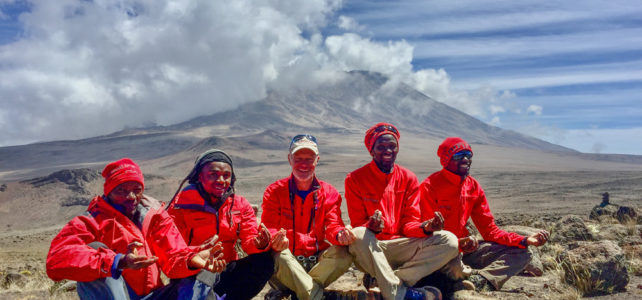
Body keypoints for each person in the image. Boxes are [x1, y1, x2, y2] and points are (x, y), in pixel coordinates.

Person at [46, 158, 226, 300]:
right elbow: (55, 261)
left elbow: (173, 257)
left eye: (136, 189)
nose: (131, 197)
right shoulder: (90, 221)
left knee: (202, 272)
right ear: (108, 192)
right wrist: (117, 262)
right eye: (121, 190)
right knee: (94, 249)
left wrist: (190, 259)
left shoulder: (155, 216)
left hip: (154, 295)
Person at [344, 123, 460, 300]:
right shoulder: (355, 179)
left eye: (392, 146)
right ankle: (400, 293)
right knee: (358, 234)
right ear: (371, 150)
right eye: (381, 146)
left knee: (450, 241)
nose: (387, 150)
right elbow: (359, 222)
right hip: (373, 247)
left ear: (398, 148)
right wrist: (371, 228)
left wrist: (427, 227)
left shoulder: (408, 178)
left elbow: (409, 224)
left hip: (402, 245)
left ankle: (391, 285)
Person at [419, 137, 550, 291]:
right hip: (438, 252)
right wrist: (458, 243)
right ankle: (448, 283)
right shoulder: (429, 186)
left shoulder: (473, 187)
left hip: (464, 251)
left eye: (469, 155)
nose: (466, 159)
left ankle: (481, 281)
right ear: (446, 160)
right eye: (459, 156)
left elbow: (490, 231)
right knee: (454, 269)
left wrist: (525, 239)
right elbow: (426, 234)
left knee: (523, 253)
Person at [168, 149, 275, 299]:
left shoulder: (240, 204)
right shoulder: (180, 206)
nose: (221, 180)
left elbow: (248, 241)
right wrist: (197, 258)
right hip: (194, 271)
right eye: (213, 174)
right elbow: (173, 250)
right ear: (200, 176)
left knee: (263, 261)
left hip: (226, 268)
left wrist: (258, 244)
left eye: (226, 176)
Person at [261, 134, 357, 300]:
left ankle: (300, 293)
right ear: (289, 159)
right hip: (286, 263)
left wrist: (340, 234)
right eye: (298, 159)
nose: (304, 165)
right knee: (279, 254)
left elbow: (333, 225)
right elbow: (269, 226)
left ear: (317, 160)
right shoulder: (274, 191)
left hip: (317, 265)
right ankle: (320, 297)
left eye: (309, 159)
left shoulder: (329, 193)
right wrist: (276, 240)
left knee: (343, 254)